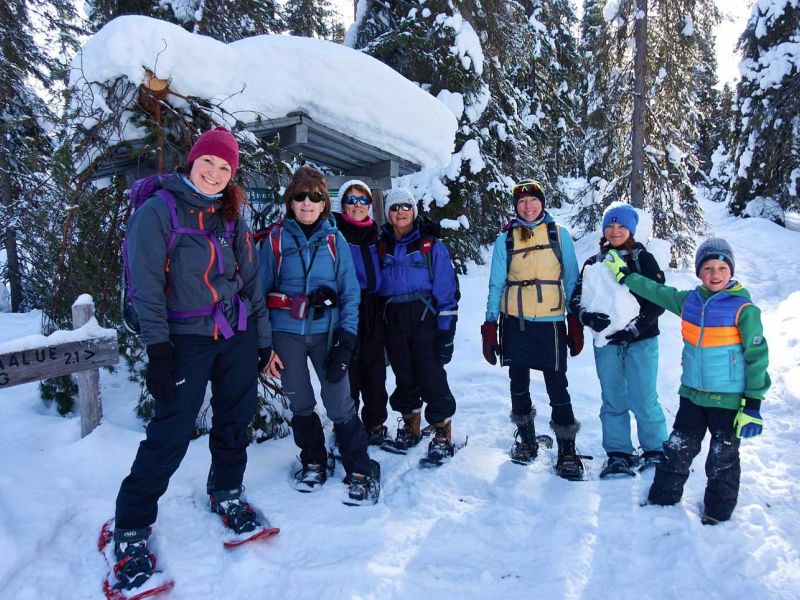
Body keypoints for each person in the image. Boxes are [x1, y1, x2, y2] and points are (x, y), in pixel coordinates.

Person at [113, 127, 273, 590]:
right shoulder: (157, 212)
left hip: (235, 332)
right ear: (192, 160)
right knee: (172, 430)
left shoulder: (230, 216)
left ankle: (226, 490)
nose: (215, 173)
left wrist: (261, 339)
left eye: (225, 168)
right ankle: (131, 526)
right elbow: (145, 287)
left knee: (234, 416)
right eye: (209, 163)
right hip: (184, 338)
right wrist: (158, 349)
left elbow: (250, 280)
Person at [604, 237, 769, 524]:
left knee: (723, 457)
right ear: (698, 272)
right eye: (707, 268)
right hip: (692, 395)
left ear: (731, 271)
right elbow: (657, 291)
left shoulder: (743, 309)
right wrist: (627, 276)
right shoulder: (690, 301)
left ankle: (717, 512)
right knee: (677, 449)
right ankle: (662, 498)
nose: (715, 274)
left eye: (721, 267)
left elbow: (757, 357)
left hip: (728, 400)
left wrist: (753, 405)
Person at [259, 166, 379, 503]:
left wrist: (346, 341)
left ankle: (359, 466)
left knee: (339, 402)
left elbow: (351, 293)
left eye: (315, 197)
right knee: (300, 402)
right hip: (287, 334)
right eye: (300, 196)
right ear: (291, 201)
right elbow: (258, 292)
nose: (307, 203)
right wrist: (264, 345)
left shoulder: (334, 240)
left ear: (324, 203)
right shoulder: (275, 239)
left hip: (327, 333)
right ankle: (313, 460)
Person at [481, 179, 587, 480]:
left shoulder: (559, 235)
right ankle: (526, 439)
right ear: (515, 207)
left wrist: (575, 320)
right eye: (522, 202)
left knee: (557, 385)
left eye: (533, 200)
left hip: (551, 321)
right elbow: (496, 283)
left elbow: (572, 279)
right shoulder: (505, 240)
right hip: (515, 320)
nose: (528, 206)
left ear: (542, 202)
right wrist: (490, 324)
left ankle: (567, 446)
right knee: (518, 383)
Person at [570, 202, 668, 478]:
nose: (615, 231)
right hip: (607, 342)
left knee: (643, 397)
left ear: (631, 230)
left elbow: (658, 298)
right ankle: (618, 453)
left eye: (621, 226)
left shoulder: (642, 259)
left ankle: (655, 449)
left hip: (642, 340)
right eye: (610, 226)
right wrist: (586, 317)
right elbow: (577, 297)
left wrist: (636, 328)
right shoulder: (595, 262)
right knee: (613, 398)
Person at [378, 188, 459, 463]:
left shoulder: (430, 245)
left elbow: (447, 289)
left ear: (414, 210)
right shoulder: (382, 244)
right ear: (388, 212)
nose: (400, 212)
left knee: (430, 373)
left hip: (424, 316)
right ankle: (410, 424)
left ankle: (441, 431)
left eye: (406, 206)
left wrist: (446, 331)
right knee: (403, 373)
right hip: (394, 318)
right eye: (394, 207)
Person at [332, 180, 390, 446]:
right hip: (346, 310)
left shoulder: (376, 235)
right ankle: (348, 423)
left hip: (374, 311)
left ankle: (375, 422)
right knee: (349, 372)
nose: (357, 205)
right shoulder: (335, 233)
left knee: (376, 372)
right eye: (352, 200)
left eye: (363, 200)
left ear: (370, 205)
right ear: (342, 204)